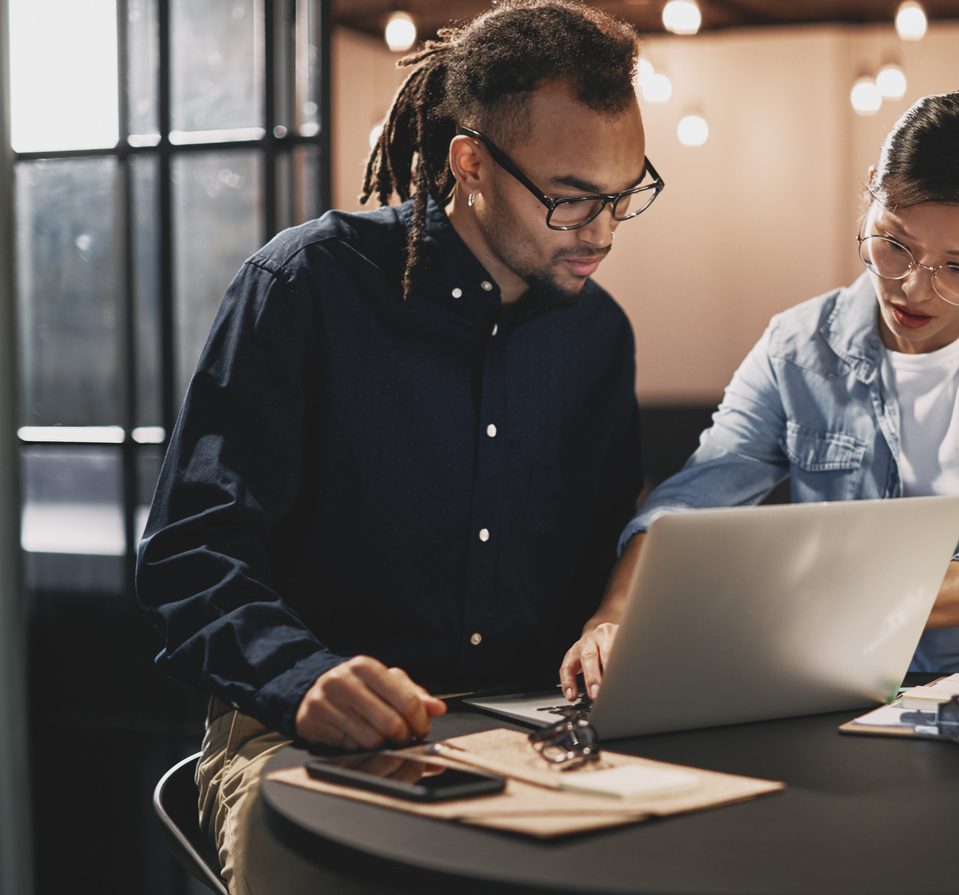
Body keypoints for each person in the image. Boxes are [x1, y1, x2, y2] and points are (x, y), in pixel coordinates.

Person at [135, 3, 655, 890]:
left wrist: (616, 629)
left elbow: (611, 546)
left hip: (532, 730)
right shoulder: (302, 288)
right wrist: (303, 676)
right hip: (295, 729)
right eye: (569, 198)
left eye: (623, 193)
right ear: (471, 163)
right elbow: (190, 555)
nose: (600, 232)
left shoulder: (597, 334)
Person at [559, 90, 959, 701]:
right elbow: (692, 500)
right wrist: (612, 617)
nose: (914, 289)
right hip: (923, 699)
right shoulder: (798, 348)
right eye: (893, 245)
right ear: (870, 193)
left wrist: (823, 597)